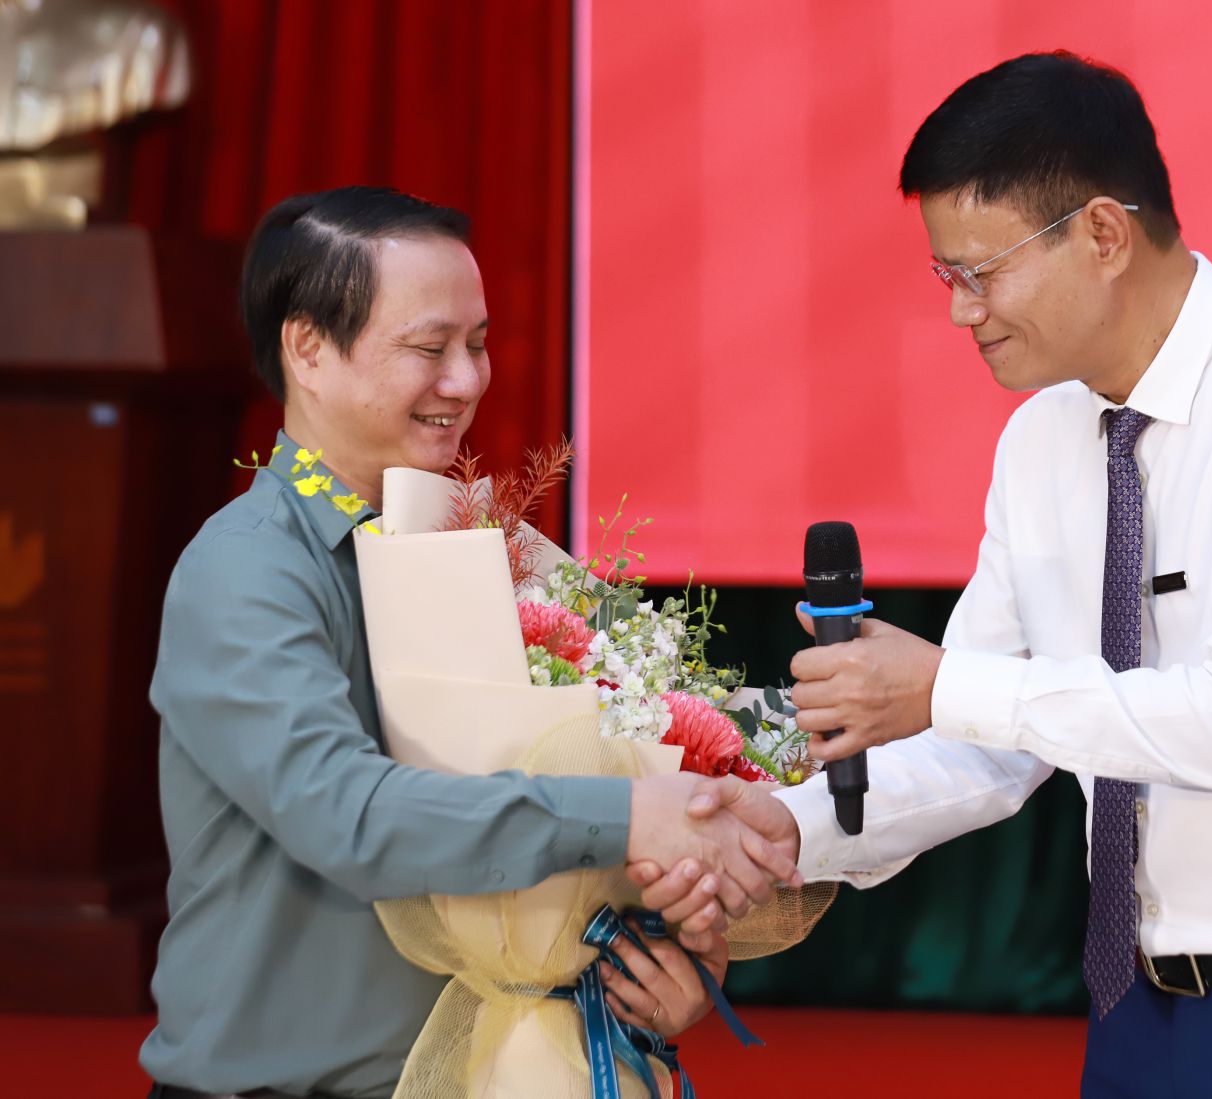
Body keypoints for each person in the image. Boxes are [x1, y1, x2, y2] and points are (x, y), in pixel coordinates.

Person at [643, 52, 1212, 1098]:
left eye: (980, 273)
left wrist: (945, 685)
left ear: (1102, 232)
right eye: (944, 276)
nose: (961, 313)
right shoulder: (1042, 440)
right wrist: (794, 828)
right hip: (1137, 1012)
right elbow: (993, 747)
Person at [142, 186, 799, 1099]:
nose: (467, 379)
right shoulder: (246, 572)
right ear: (308, 348)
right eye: (429, 348)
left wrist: (668, 952)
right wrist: (627, 816)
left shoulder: (502, 551)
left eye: (479, 344)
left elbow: (644, 755)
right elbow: (348, 814)